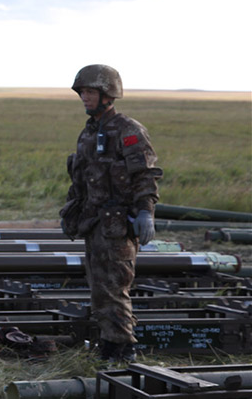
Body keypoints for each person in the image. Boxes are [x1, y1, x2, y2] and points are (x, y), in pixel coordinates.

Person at [59, 64, 163, 364]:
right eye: (83, 93)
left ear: (108, 94)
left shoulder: (129, 130)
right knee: (99, 289)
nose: (85, 98)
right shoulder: (89, 133)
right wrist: (71, 214)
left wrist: (145, 212)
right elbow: (81, 181)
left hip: (119, 226)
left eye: (91, 92)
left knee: (115, 288)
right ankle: (109, 346)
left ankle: (123, 350)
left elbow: (145, 175)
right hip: (95, 225)